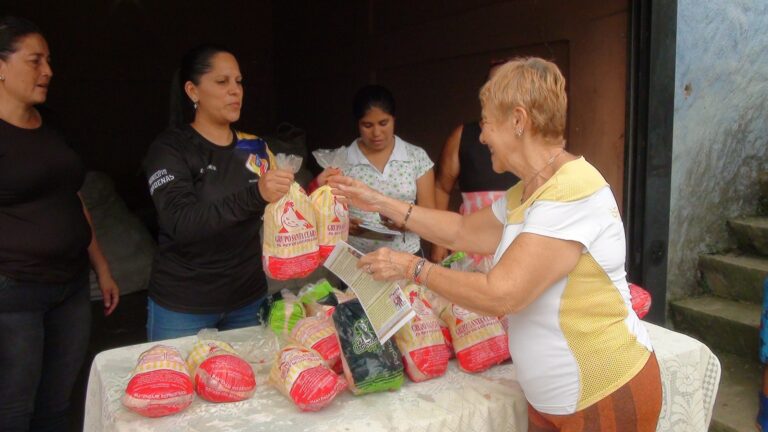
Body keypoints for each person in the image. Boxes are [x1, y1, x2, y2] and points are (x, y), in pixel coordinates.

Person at [330, 57, 661, 432]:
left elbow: (502, 293)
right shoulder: (528, 190)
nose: (482, 136)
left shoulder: (571, 191)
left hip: (602, 396)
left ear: (518, 121)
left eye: (486, 122)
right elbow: (461, 231)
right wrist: (378, 201)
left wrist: (412, 268)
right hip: (552, 401)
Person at [0, 16, 120, 430]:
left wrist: (101, 267)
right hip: (14, 293)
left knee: (57, 402)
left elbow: (72, 197)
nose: (47, 71)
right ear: (0, 66)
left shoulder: (50, 126)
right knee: (14, 406)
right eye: (35, 60)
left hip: (70, 288)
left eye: (48, 61)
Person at [143, 45, 292, 341]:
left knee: (249, 385)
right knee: (179, 387)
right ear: (193, 91)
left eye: (238, 82)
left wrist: (319, 193)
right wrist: (256, 195)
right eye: (222, 82)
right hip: (184, 306)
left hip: (248, 300)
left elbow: (284, 209)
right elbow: (181, 222)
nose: (235, 91)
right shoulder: (170, 149)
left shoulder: (254, 147)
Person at [316, 84, 435, 255]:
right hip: (357, 260)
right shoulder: (341, 161)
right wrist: (341, 225)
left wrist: (406, 223)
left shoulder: (415, 157)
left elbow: (430, 215)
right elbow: (325, 211)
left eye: (383, 123)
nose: (376, 133)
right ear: (357, 124)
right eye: (367, 125)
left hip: (406, 258)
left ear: (394, 119)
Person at [432, 60, 519, 263]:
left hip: (518, 249)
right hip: (471, 249)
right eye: (491, 85)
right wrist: (439, 242)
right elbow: (441, 188)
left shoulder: (528, 138)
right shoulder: (463, 136)